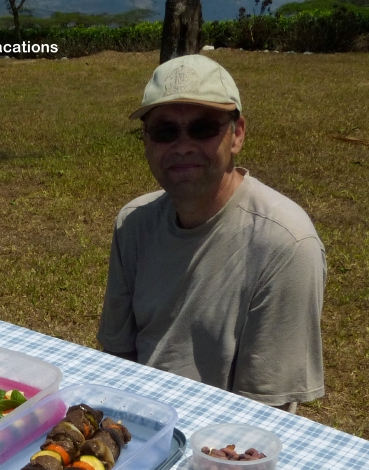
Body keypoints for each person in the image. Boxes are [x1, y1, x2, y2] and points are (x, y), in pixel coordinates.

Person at [97, 55, 326, 411]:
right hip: (137, 420)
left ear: (237, 134)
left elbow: (265, 409)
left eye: (203, 128)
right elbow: (118, 356)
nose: (183, 146)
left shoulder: (286, 245)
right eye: (165, 131)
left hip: (225, 435)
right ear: (146, 140)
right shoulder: (133, 223)